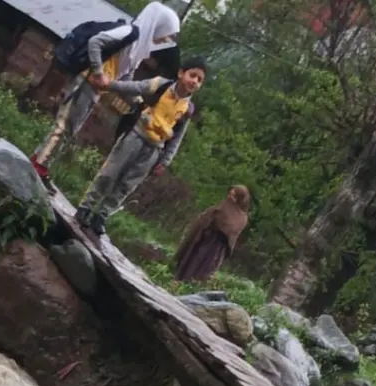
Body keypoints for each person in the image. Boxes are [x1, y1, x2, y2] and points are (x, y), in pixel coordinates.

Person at [30, 2, 181, 179]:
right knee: (66, 124)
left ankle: (41, 160)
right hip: (86, 81)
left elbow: (125, 79)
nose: (165, 39)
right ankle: (39, 163)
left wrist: (139, 103)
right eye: (167, 34)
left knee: (71, 128)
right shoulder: (129, 33)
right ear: (158, 26)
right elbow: (95, 42)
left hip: (95, 89)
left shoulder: (139, 48)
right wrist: (99, 72)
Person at [75, 57, 207, 237]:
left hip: (153, 150)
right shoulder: (161, 85)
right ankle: (86, 207)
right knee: (110, 173)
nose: (195, 82)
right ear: (181, 73)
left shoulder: (187, 109)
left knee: (127, 185)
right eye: (193, 75)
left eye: (200, 80)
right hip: (135, 136)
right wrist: (108, 85)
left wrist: (165, 160)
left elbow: (176, 139)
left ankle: (101, 215)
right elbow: (134, 87)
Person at [172, 185, 251, 283]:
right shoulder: (223, 205)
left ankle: (192, 285)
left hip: (216, 246)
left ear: (239, 199)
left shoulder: (242, 217)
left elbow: (232, 228)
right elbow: (208, 217)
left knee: (203, 269)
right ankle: (178, 279)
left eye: (233, 196)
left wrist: (218, 222)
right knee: (191, 260)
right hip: (204, 238)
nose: (229, 197)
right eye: (229, 194)